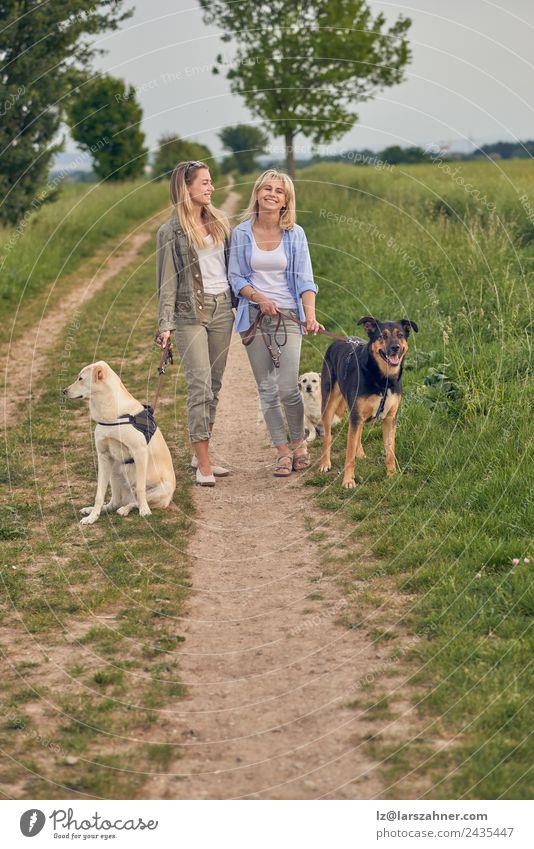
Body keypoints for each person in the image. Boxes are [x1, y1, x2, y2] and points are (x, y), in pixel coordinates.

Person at [228, 169, 321, 477]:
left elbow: (306, 279)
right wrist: (258, 297)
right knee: (266, 387)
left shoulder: (295, 233)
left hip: (287, 316)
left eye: (278, 191)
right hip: (253, 316)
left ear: (286, 200)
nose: (271, 193)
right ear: (257, 193)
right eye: (266, 188)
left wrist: (310, 314)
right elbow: (236, 277)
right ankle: (282, 451)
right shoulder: (242, 233)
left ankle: (299, 445)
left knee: (286, 387)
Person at [156, 160, 234, 487]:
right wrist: (165, 324)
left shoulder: (219, 220)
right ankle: (204, 463)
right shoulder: (170, 231)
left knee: (214, 386)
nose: (211, 188)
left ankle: (199, 449)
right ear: (186, 187)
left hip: (223, 308)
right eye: (204, 183)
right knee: (199, 385)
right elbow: (166, 282)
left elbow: (232, 267)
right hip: (191, 313)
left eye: (211, 182)